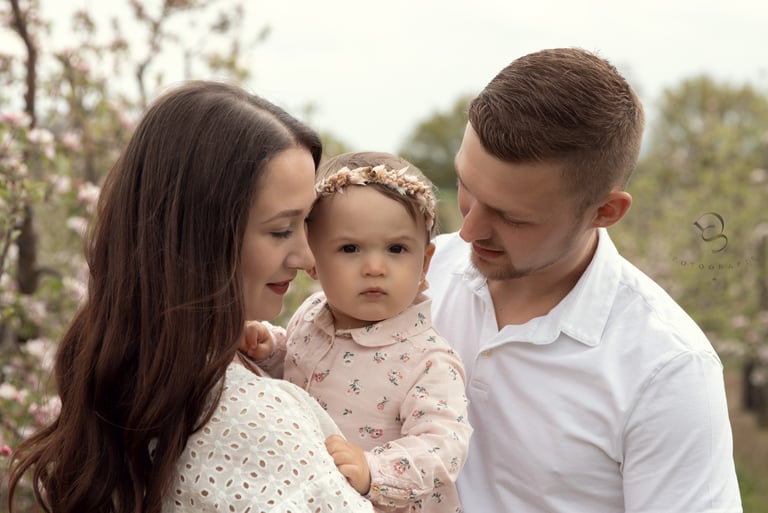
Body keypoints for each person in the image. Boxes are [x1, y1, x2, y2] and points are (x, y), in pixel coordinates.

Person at [6, 81, 374, 513]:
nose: (305, 255)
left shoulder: (130, 373)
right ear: (199, 238)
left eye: (306, 223)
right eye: (280, 230)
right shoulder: (254, 417)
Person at [426, 48, 743, 512]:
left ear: (605, 212)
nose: (469, 230)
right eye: (466, 188)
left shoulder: (668, 371)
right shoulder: (416, 274)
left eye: (513, 217)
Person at [244, 152, 472, 513]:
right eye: (350, 248)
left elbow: (444, 445)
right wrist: (269, 350)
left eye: (397, 249)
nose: (375, 267)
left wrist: (373, 469)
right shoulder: (310, 316)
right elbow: (295, 368)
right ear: (312, 259)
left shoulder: (427, 360)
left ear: (424, 263)